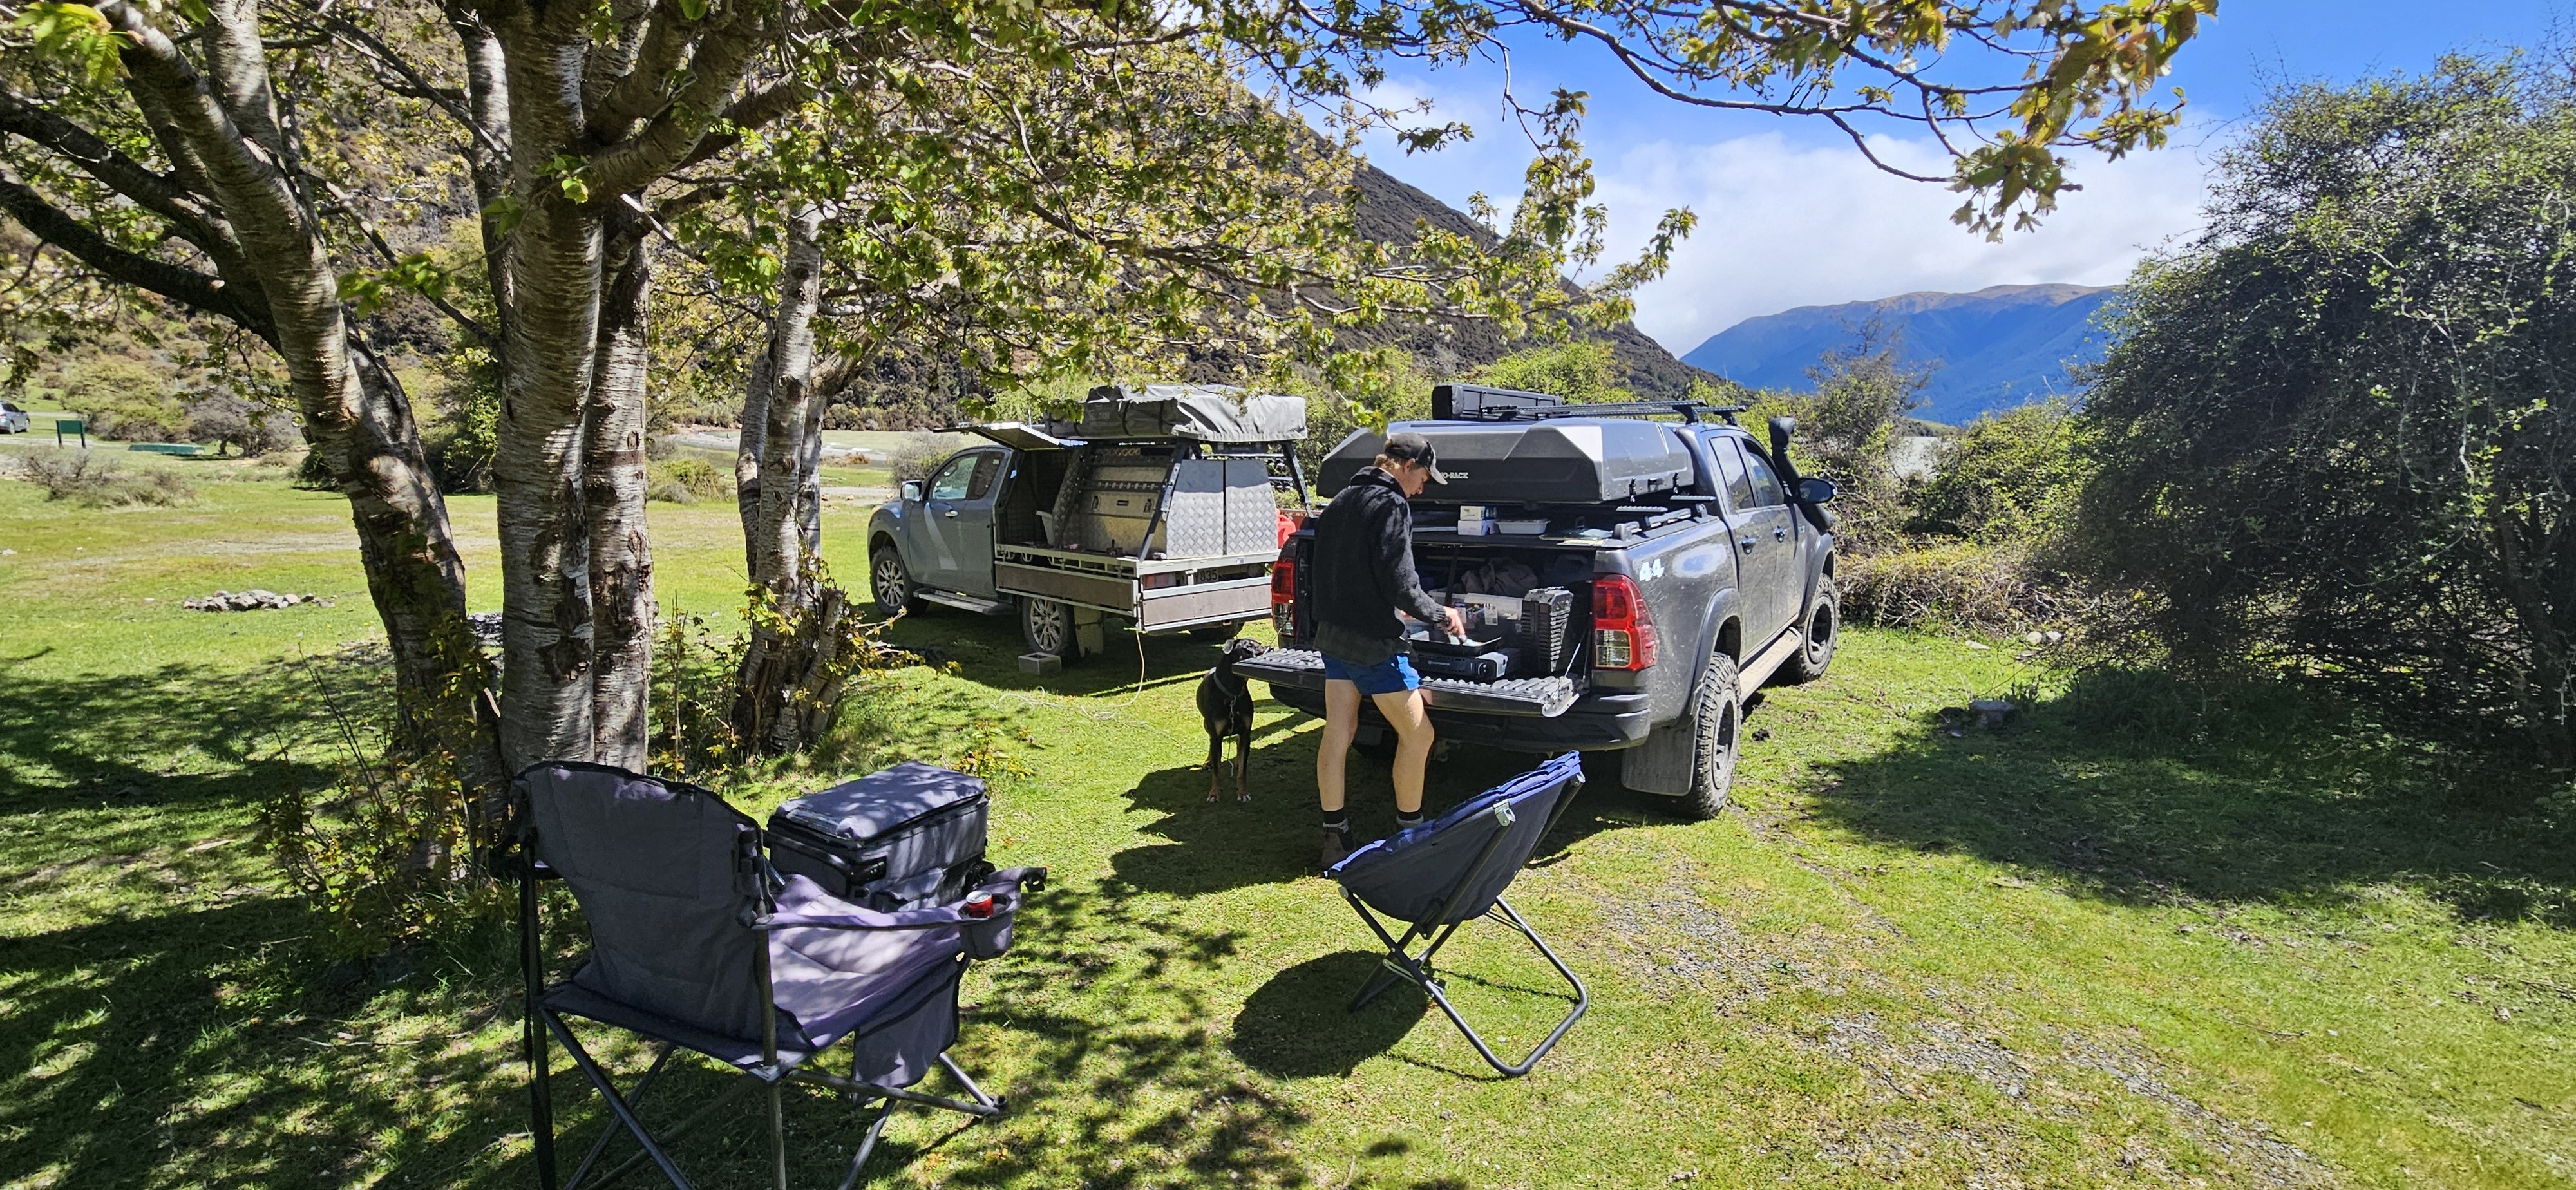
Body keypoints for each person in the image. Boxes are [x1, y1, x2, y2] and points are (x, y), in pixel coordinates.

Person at [1308, 432, 1466, 868]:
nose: (1422, 488)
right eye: (1424, 479)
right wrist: (1439, 614)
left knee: (1339, 731)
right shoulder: (1391, 504)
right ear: (1407, 465)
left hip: (1333, 637)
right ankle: (1411, 833)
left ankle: (1334, 836)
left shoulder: (1340, 500)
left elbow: (1344, 570)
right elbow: (1401, 581)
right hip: (1372, 646)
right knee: (1420, 735)